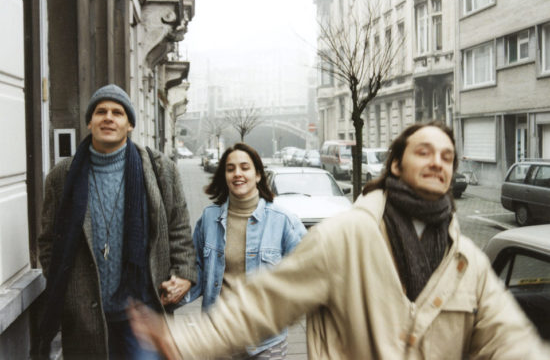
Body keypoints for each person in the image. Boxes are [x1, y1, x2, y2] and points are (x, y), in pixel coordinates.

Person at [129, 121, 550, 359]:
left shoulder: (466, 261)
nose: (438, 162)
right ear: (397, 165)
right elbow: (267, 300)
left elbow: (507, 337)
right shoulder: (347, 236)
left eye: (447, 157)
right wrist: (184, 341)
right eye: (424, 152)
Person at [37, 84, 197, 359]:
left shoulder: (160, 170)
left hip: (143, 310)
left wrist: (184, 274)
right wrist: (68, 292)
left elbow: (179, 229)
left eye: (117, 113)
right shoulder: (63, 176)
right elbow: (48, 241)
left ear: (130, 124)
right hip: (85, 318)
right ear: (90, 122)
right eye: (100, 112)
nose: (108, 118)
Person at [184, 143, 307, 359]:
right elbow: (196, 271)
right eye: (230, 169)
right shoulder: (209, 219)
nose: (237, 174)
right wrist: (171, 292)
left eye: (244, 167)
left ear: (258, 174)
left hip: (266, 341)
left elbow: (306, 273)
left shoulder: (283, 221)